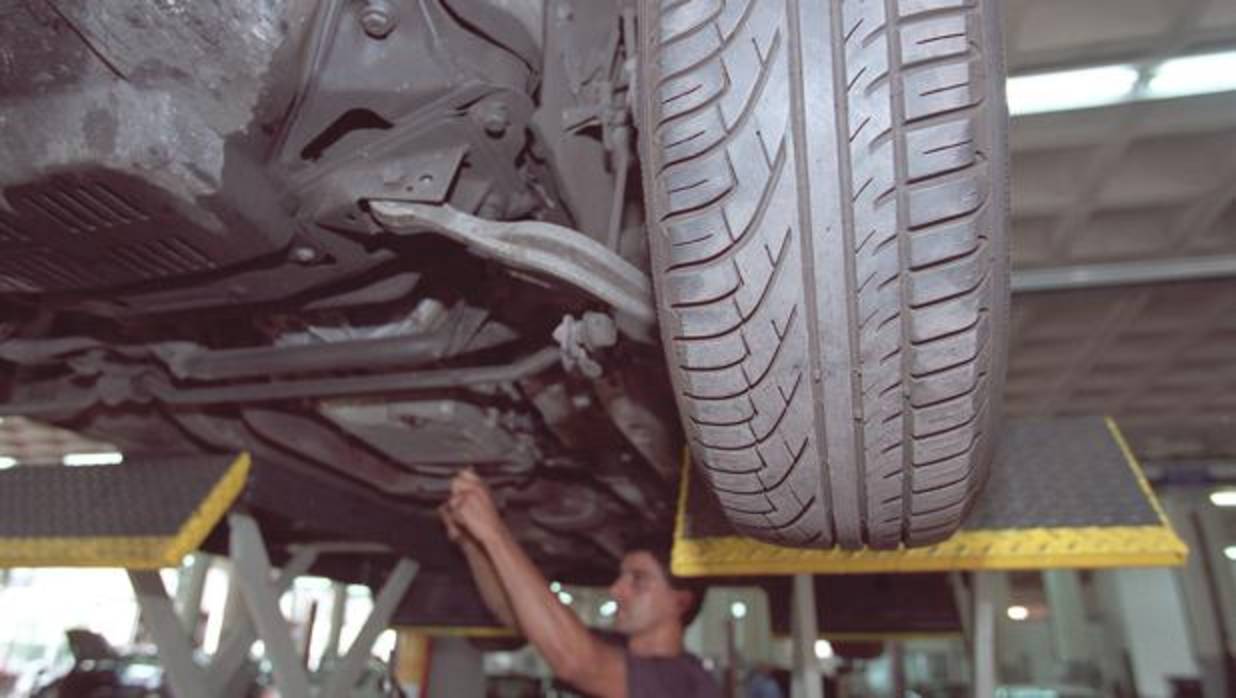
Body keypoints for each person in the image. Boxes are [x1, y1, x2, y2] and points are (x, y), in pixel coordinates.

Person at [440, 468, 721, 698]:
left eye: (638, 579)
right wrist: (471, 543)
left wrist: (494, 532)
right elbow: (514, 615)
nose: (616, 590)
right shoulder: (613, 648)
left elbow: (575, 663)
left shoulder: (685, 684)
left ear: (680, 601)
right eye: (622, 577)